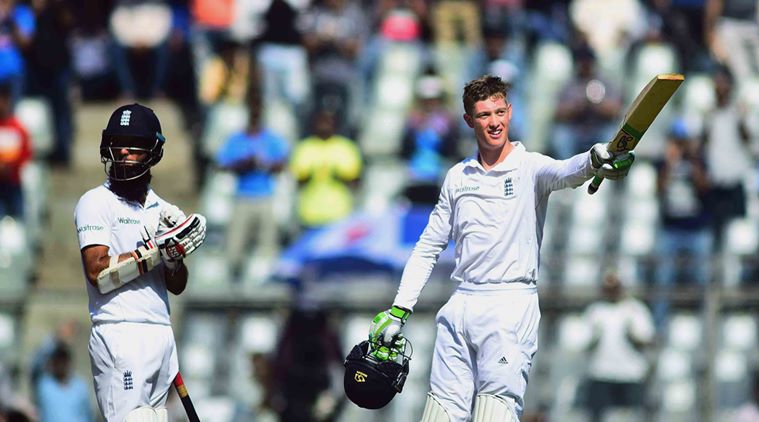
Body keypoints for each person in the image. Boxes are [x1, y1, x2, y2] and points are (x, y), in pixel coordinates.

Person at [368, 75, 634, 421]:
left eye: (499, 112)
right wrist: (399, 309)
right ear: (468, 121)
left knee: (494, 413)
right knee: (438, 415)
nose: (493, 122)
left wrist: (595, 159)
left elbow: (569, 171)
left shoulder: (530, 167)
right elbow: (427, 248)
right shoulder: (457, 177)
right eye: (483, 115)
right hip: (461, 302)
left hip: (509, 306)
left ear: (509, 112)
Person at [74, 103, 207, 421]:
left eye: (133, 148)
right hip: (120, 332)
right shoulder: (96, 201)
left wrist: (174, 259)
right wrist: (155, 254)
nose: (122, 153)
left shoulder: (162, 210)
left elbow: (176, 286)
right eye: (117, 145)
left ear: (153, 152)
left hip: (160, 332)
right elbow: (97, 271)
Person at [216, 95, 289, 281]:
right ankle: (233, 281)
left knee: (267, 246)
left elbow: (283, 164)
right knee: (235, 246)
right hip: (242, 197)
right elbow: (222, 164)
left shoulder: (272, 138)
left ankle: (266, 281)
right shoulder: (236, 139)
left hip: (265, 197)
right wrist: (244, 164)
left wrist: (265, 164)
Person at [653, 119, 712, 328]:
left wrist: (693, 161)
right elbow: (659, 190)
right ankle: (659, 325)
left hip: (696, 229)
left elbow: (704, 188)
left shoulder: (699, 161)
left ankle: (704, 323)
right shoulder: (664, 163)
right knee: (663, 279)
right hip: (671, 229)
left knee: (702, 278)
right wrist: (671, 163)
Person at [581, 272, 655, 422]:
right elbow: (583, 343)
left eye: (614, 288)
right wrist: (595, 338)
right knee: (596, 416)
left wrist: (632, 336)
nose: (612, 292)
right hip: (601, 372)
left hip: (630, 373)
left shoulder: (635, 309)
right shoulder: (595, 311)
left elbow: (647, 340)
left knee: (632, 416)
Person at [35, 342, 93, 422]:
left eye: (63, 361)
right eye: (58, 362)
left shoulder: (81, 387)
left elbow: (88, 414)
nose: (61, 365)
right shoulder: (44, 386)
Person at [0, 80, 32, 218]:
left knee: (17, 217)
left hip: (13, 184)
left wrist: (10, 166)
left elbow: (26, 153)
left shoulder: (17, 128)